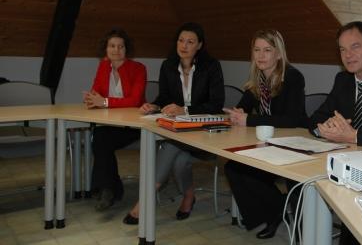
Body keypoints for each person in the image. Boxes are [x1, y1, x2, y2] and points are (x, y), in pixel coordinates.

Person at [124, 22, 225, 224]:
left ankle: (145, 199)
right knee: (179, 161)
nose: (184, 45)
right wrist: (153, 106)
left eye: (190, 41)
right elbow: (164, 97)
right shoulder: (168, 66)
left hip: (204, 132)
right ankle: (189, 196)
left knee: (170, 146)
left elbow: (216, 104)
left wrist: (185, 110)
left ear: (200, 45)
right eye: (181, 40)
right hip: (178, 130)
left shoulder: (211, 66)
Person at [224, 29, 306, 239]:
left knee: (247, 170)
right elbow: (242, 108)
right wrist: (237, 113)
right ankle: (274, 213)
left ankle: (278, 211)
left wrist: (249, 120)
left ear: (278, 54)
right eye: (257, 50)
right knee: (234, 167)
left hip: (295, 143)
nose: (260, 55)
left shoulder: (293, 77)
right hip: (269, 143)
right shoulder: (258, 78)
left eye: (267, 50)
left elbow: (292, 120)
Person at [85, 28, 147, 211]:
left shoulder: (138, 68)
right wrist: (91, 99)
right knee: (100, 136)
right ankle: (110, 189)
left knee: (100, 139)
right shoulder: (103, 66)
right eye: (112, 46)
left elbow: (134, 101)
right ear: (106, 49)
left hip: (134, 125)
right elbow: (96, 91)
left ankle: (108, 189)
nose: (116, 50)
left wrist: (103, 101)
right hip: (111, 124)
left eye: (121, 46)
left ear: (126, 50)